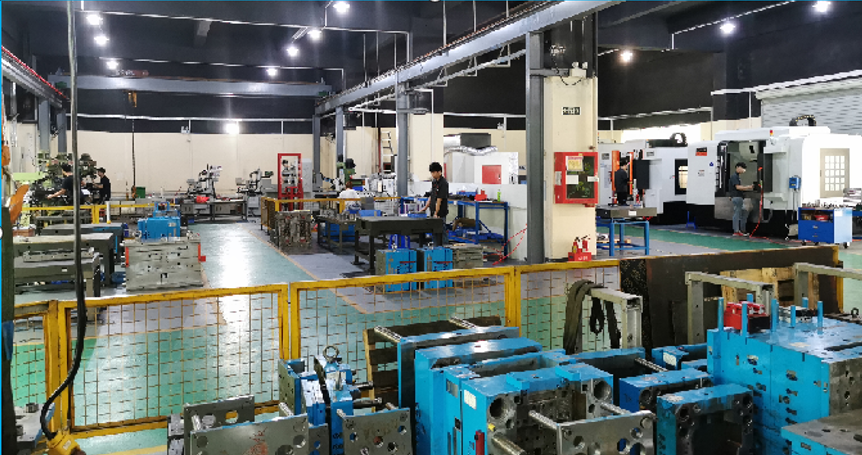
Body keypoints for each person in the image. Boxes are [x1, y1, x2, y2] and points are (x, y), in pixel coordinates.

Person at [729, 162, 754, 236]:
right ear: (738, 167)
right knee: (737, 213)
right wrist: (748, 187)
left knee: (744, 212)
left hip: (738, 197)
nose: (744, 170)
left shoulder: (737, 177)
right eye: (743, 168)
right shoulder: (734, 176)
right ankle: (736, 231)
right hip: (737, 197)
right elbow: (738, 187)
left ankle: (742, 230)